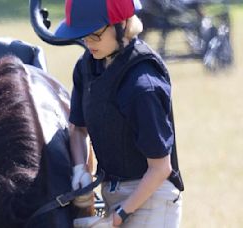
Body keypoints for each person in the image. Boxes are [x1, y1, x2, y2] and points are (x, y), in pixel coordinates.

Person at [54, 0, 184, 227]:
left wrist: (117, 217)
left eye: (94, 34)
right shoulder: (88, 67)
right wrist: (79, 170)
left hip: (151, 196)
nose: (87, 42)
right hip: (112, 192)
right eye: (83, 35)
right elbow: (78, 128)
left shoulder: (143, 86)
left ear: (122, 24)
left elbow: (160, 168)